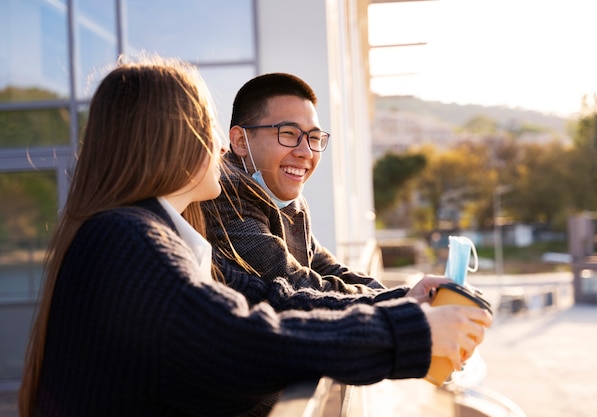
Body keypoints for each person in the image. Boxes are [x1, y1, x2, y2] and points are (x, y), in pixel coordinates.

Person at [18, 56, 491, 417]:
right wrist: (407, 333)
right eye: (208, 127)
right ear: (168, 138)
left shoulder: (142, 234)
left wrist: (401, 305)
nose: (221, 145)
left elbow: (270, 299)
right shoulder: (125, 238)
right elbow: (242, 339)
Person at [203, 72, 393, 295]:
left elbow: (326, 267)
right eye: (288, 134)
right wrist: (401, 304)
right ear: (240, 141)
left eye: (313, 138)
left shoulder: (287, 201)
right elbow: (297, 286)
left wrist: (404, 296)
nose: (306, 152)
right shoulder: (225, 193)